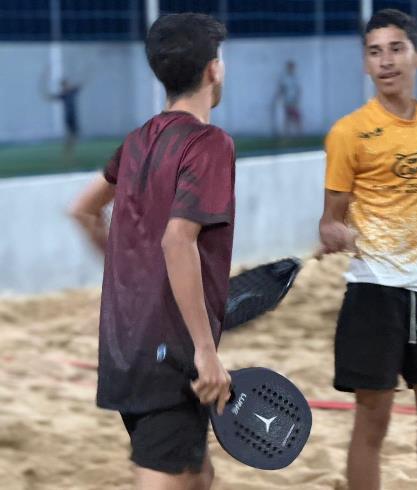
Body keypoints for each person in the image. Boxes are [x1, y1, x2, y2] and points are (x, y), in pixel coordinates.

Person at [69, 13, 235, 490]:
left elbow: (83, 210)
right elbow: (177, 240)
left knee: (197, 475)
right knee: (169, 478)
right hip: (171, 353)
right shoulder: (209, 143)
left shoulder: (138, 140)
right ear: (213, 70)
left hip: (124, 345)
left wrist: (134, 274)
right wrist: (205, 350)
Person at [319, 9, 417, 490]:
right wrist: (333, 232)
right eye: (375, 52)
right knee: (372, 420)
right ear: (365, 64)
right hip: (374, 292)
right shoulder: (348, 132)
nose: (386, 61)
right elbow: (330, 218)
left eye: (396, 49)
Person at [46, 78, 82, 164]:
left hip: (73, 117)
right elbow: (51, 98)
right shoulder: (63, 95)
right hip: (69, 118)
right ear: (63, 86)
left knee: (73, 137)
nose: (67, 86)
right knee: (71, 137)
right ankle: (68, 155)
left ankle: (68, 154)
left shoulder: (71, 92)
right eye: (65, 85)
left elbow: (81, 85)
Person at [276, 60, 303, 135]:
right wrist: (279, 98)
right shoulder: (284, 78)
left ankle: (299, 133)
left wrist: (297, 99)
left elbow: (298, 89)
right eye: (289, 67)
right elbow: (281, 88)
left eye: (292, 67)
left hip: (294, 101)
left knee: (296, 117)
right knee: (287, 118)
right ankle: (286, 134)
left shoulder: (296, 77)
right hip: (287, 101)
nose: (291, 69)